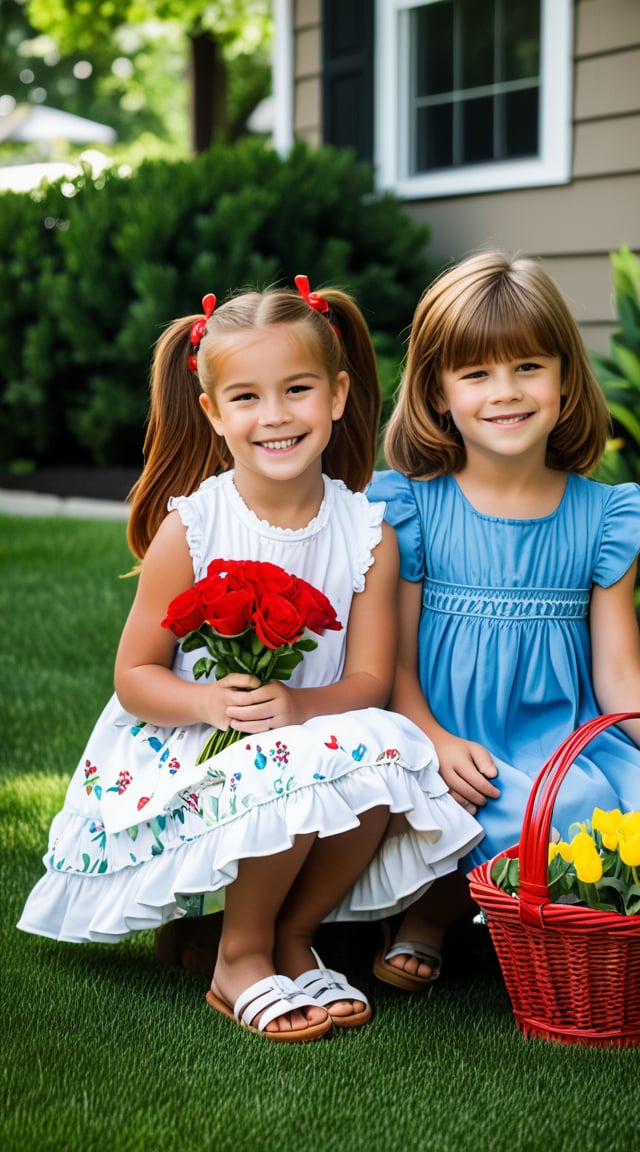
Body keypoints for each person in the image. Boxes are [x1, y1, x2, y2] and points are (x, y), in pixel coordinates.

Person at [18, 277, 483, 1041]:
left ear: (336, 396)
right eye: (246, 397)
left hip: (309, 727)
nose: (274, 416)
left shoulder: (367, 531)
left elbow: (368, 680)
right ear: (212, 412)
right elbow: (134, 676)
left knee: (393, 747)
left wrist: (300, 706)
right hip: (201, 744)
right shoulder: (195, 528)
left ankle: (291, 937)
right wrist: (210, 703)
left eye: (297, 389)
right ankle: (237, 957)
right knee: (289, 759)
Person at [368, 251, 640, 991]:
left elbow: (621, 675)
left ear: (563, 376)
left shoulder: (601, 517)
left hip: (570, 746)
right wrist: (435, 738)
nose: (507, 392)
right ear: (437, 391)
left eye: (528, 367)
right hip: (453, 739)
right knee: (552, 810)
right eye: (477, 373)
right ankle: (434, 909)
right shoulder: (413, 507)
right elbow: (392, 664)